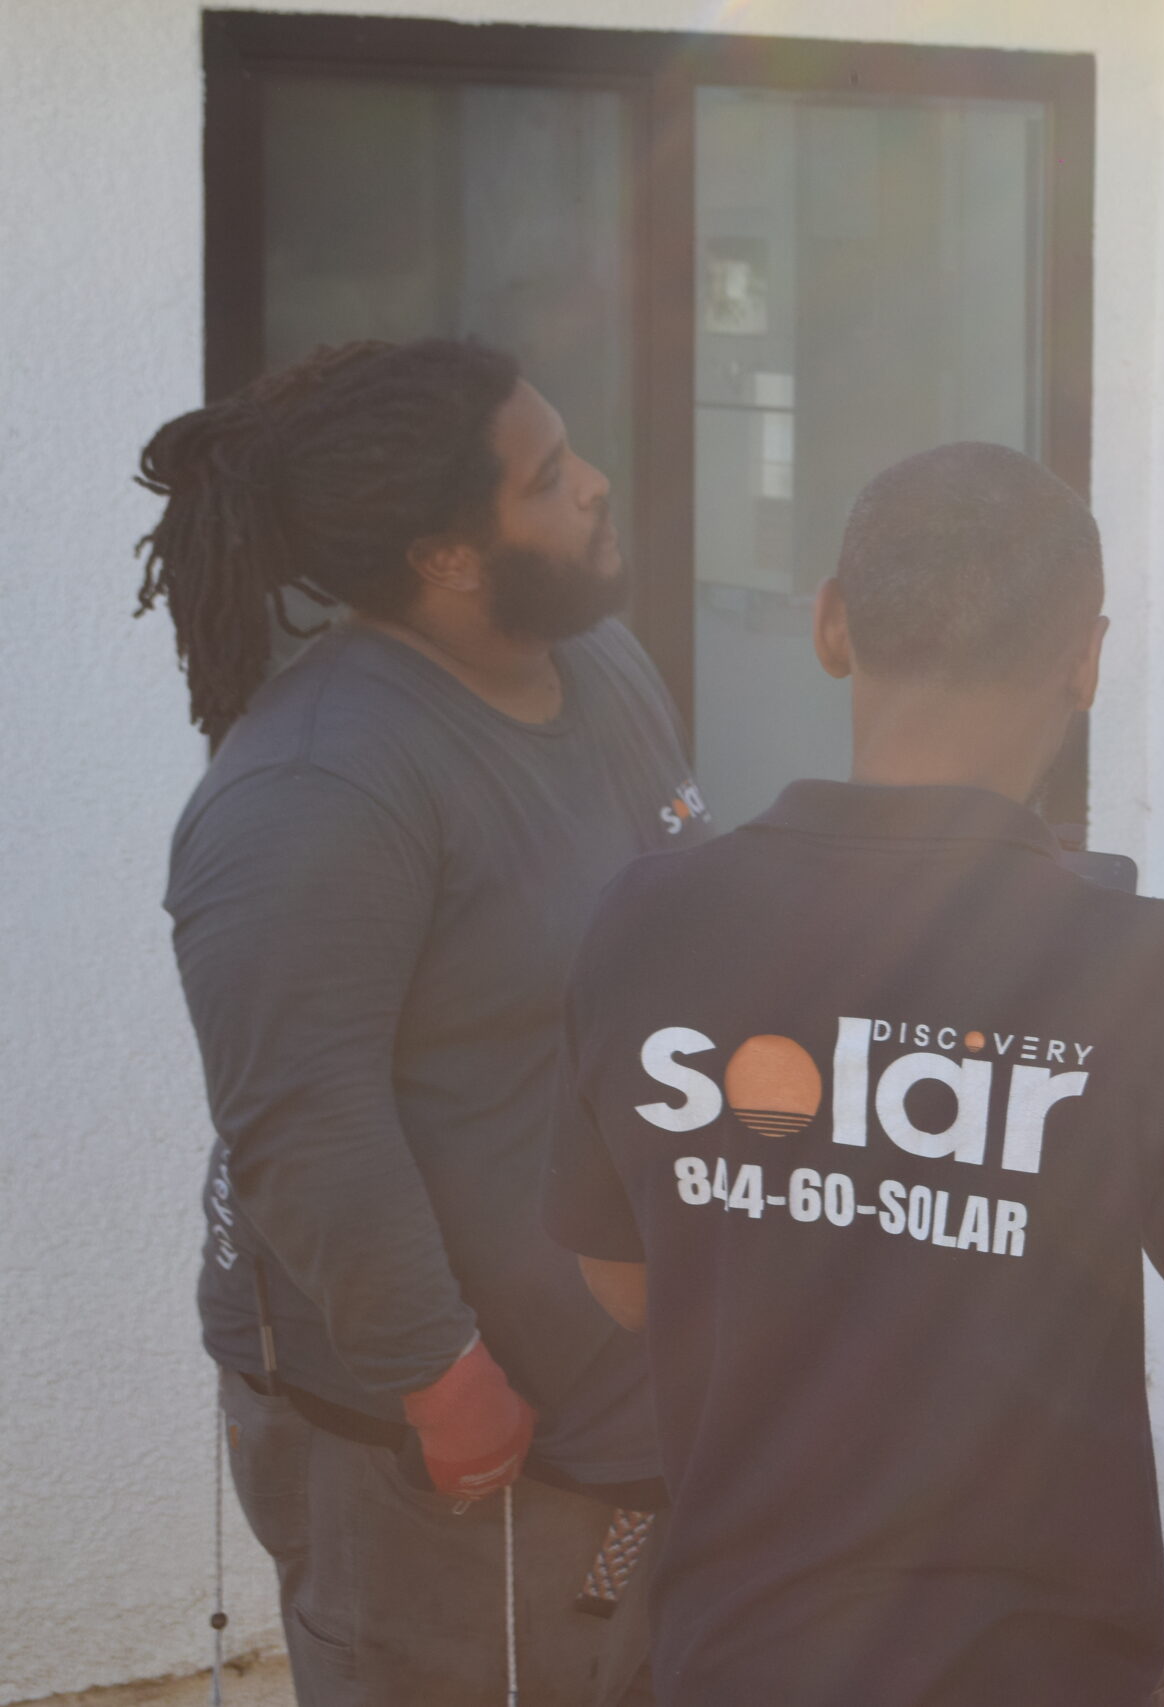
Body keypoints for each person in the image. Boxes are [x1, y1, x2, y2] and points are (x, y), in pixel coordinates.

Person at [543, 441, 1164, 1707]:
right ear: (1086, 661)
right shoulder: (1151, 968)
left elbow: (623, 1280)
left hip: (743, 1643)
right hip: (1035, 1661)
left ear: (831, 624)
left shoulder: (650, 920)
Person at [145, 338, 705, 1705]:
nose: (596, 485)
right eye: (549, 477)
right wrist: (436, 1375)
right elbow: (304, 1121)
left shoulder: (604, 666)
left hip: (612, 1377)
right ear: (446, 554)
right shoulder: (319, 785)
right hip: (427, 1418)